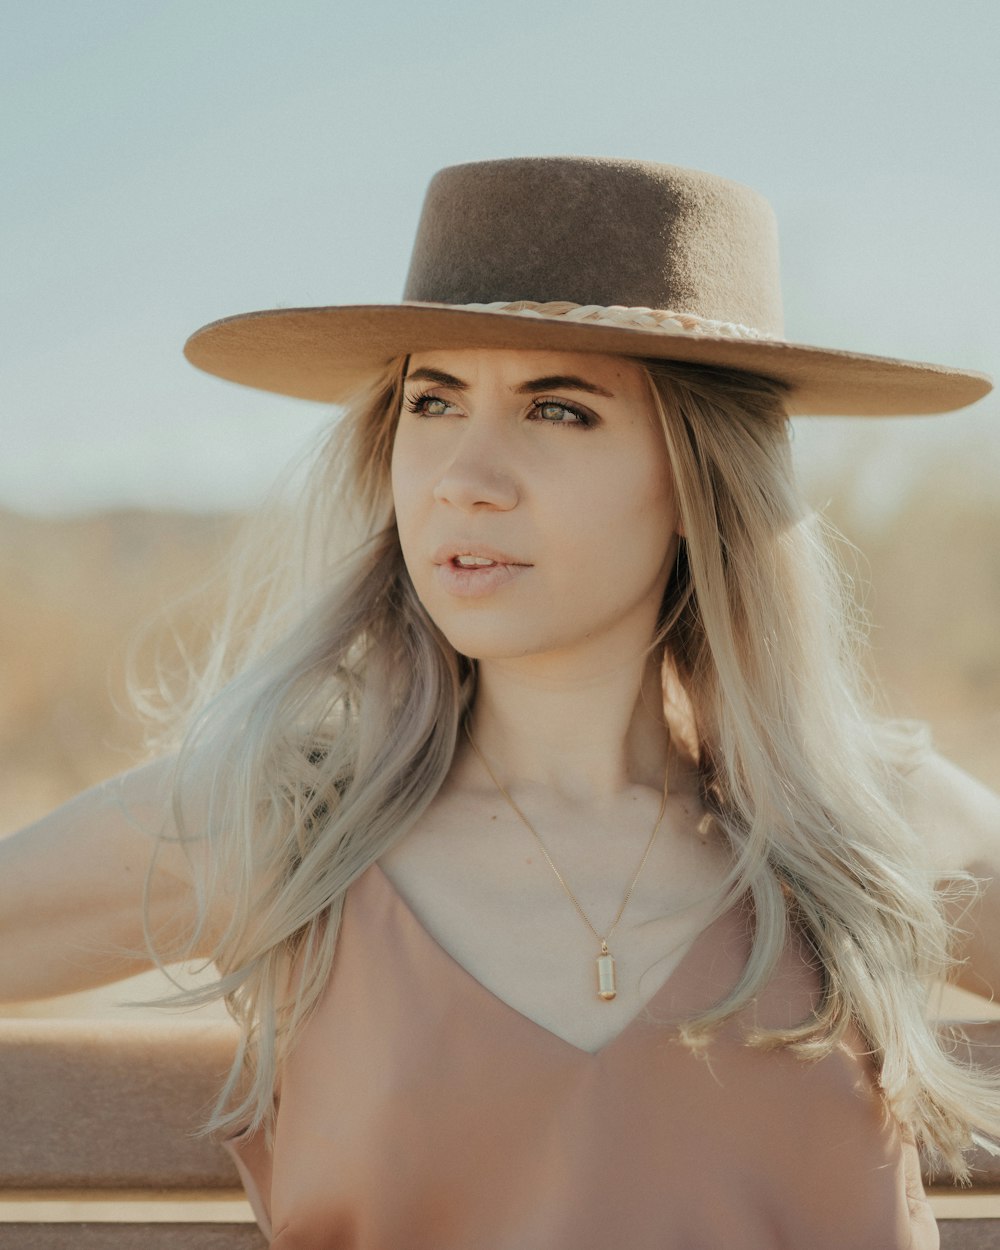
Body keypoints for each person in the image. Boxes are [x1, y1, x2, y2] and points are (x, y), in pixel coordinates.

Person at [2, 155, 1000, 1249]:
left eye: (558, 411)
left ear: (699, 478)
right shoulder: (281, 823)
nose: (463, 476)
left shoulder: (876, 829)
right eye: (432, 400)